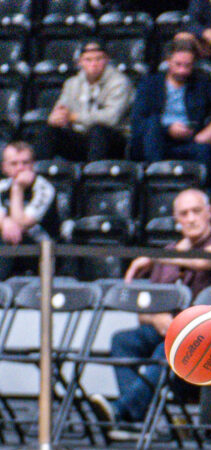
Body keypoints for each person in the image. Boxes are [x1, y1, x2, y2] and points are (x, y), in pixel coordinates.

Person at [88, 189, 211, 440]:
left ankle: (123, 412)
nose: (191, 219)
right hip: (166, 332)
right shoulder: (167, 252)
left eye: (197, 211)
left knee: (169, 349)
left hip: (208, 339)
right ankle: (134, 419)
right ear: (176, 219)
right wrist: (156, 317)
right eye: (184, 214)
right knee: (122, 340)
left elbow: (205, 262)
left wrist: (156, 256)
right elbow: (144, 311)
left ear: (210, 212)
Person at [128, 40, 211, 167]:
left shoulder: (200, 84)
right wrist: (167, 130)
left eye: (187, 65)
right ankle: (157, 174)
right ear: (168, 61)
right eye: (178, 64)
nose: (182, 71)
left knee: (203, 149)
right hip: (156, 140)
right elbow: (137, 121)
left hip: (188, 140)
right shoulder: (150, 84)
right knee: (153, 124)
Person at [37, 39, 132, 163]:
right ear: (80, 62)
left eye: (98, 59)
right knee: (48, 131)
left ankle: (93, 178)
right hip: (81, 137)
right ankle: (39, 175)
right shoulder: (72, 83)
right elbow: (61, 109)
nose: (94, 64)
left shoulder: (120, 82)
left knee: (98, 132)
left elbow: (111, 118)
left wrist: (74, 117)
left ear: (107, 60)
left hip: (112, 139)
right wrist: (56, 117)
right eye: (88, 60)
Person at [0, 141, 58, 281]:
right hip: (9, 247)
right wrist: (4, 222)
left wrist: (17, 189)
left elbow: (22, 223)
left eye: (25, 162)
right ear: (4, 168)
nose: (20, 168)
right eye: (14, 164)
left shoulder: (45, 189)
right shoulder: (2, 187)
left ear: (33, 165)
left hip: (40, 251)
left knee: (9, 236)